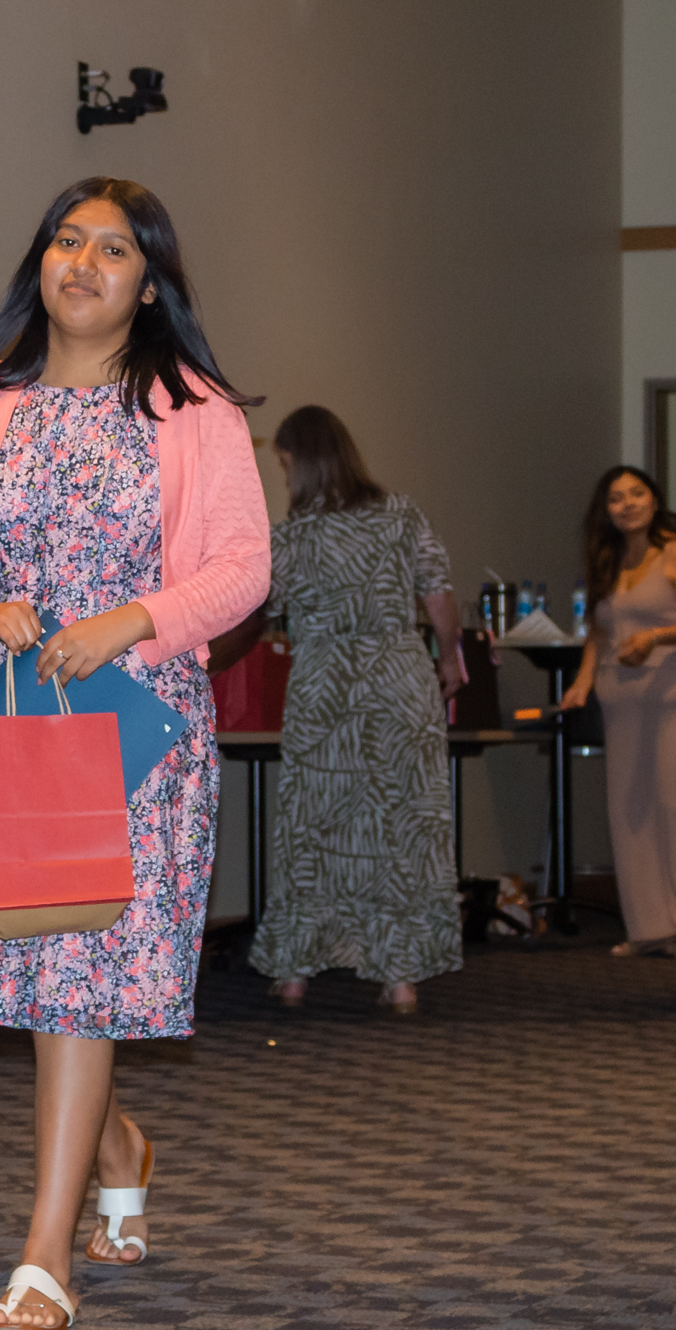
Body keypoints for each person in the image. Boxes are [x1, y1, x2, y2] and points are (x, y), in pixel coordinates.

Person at [0, 177, 269, 1330]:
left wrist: (129, 621)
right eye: (66, 239)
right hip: (14, 713)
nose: (82, 262)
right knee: (39, 970)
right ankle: (121, 1145)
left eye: (115, 249)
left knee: (76, 972)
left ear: (151, 285)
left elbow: (242, 567)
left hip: (139, 725)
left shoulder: (194, 408)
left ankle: (44, 1254)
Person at [247, 405, 465, 1014]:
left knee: (312, 823)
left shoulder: (291, 535)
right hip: (398, 676)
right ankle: (399, 978)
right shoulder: (401, 516)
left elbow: (261, 607)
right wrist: (449, 660)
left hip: (324, 683)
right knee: (401, 823)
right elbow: (440, 596)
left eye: (287, 465)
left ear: (304, 463)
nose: (286, 477)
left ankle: (294, 972)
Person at [560, 466, 676, 963]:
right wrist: (583, 681)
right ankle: (648, 927)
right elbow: (601, 630)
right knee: (629, 808)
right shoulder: (607, 560)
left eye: (637, 493)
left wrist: (656, 637)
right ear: (605, 510)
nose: (627, 503)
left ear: (655, 501)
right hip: (622, 695)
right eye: (616, 497)